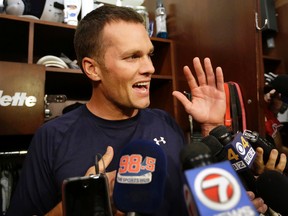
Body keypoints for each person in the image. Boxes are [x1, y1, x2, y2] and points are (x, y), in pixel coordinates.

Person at [7, 5, 271, 215]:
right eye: (132, 56)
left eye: (149, 54)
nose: (150, 68)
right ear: (92, 68)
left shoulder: (165, 122)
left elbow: (202, 202)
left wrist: (212, 131)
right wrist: (80, 203)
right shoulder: (52, 137)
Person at [264, 73, 288, 155]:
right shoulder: (267, 118)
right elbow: (279, 149)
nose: (285, 107)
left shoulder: (271, 116)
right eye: (285, 103)